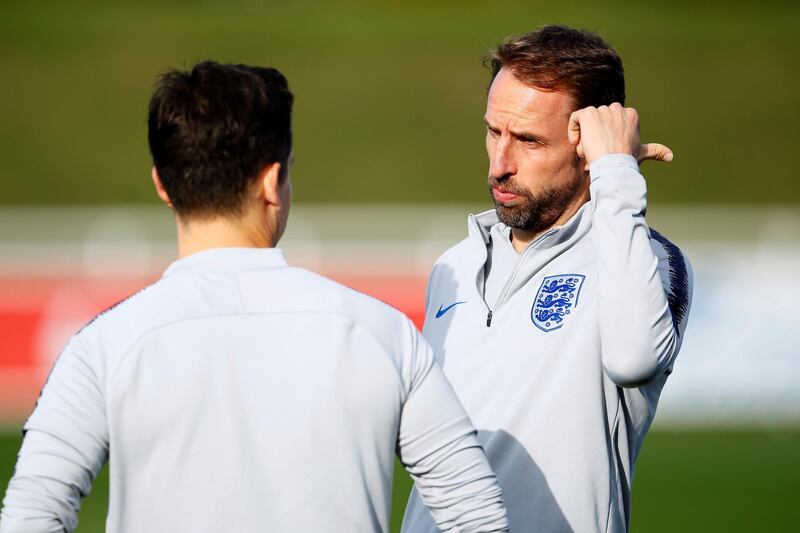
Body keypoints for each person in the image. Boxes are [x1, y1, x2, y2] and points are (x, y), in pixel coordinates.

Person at [0, 61, 509, 533]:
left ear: (163, 184)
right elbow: (479, 518)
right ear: (273, 180)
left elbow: (30, 516)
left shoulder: (103, 346)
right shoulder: (382, 333)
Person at [402, 25, 693, 533]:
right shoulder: (452, 266)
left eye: (529, 140)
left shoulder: (643, 259)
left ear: (588, 144)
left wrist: (618, 173)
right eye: (494, 132)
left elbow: (634, 358)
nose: (499, 164)